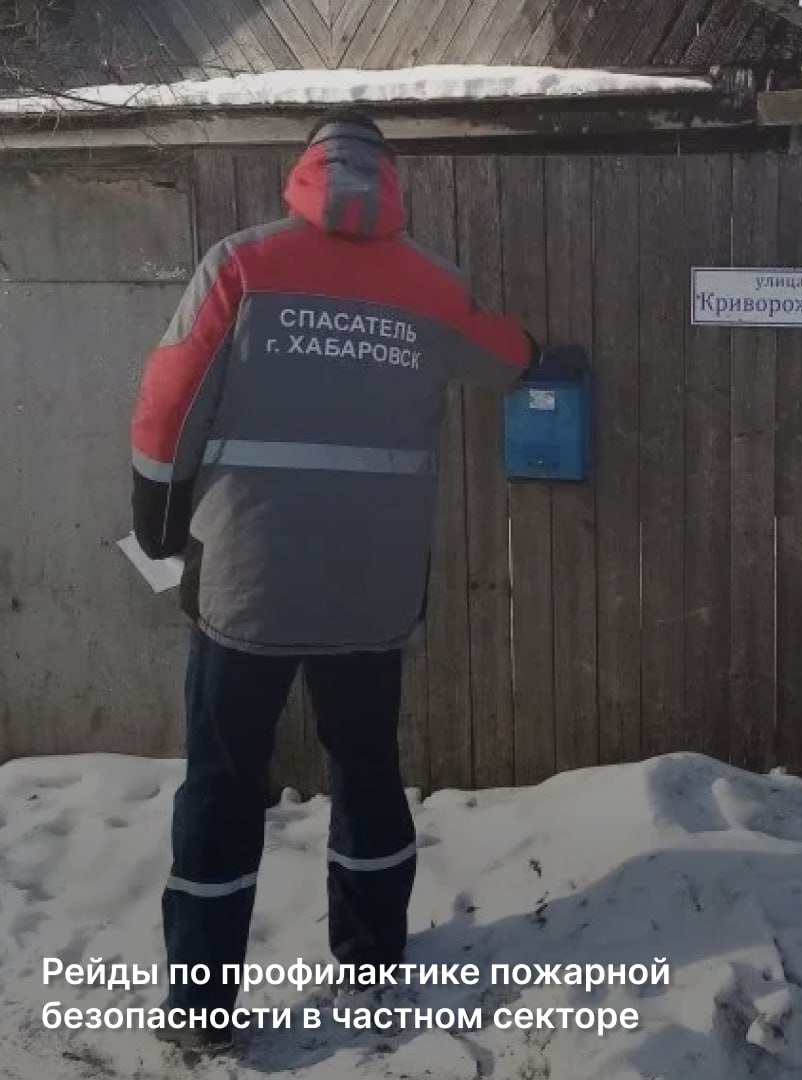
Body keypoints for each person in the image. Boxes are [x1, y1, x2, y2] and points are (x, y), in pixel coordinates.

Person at [129, 109, 538, 1051]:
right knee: (367, 767)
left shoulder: (242, 264)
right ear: (389, 179)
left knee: (223, 783)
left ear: (305, 169)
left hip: (248, 587)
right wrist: (538, 349)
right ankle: (370, 958)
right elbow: (505, 355)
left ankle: (200, 1010)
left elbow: (167, 402)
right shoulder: (432, 285)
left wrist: (157, 519)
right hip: (372, 590)